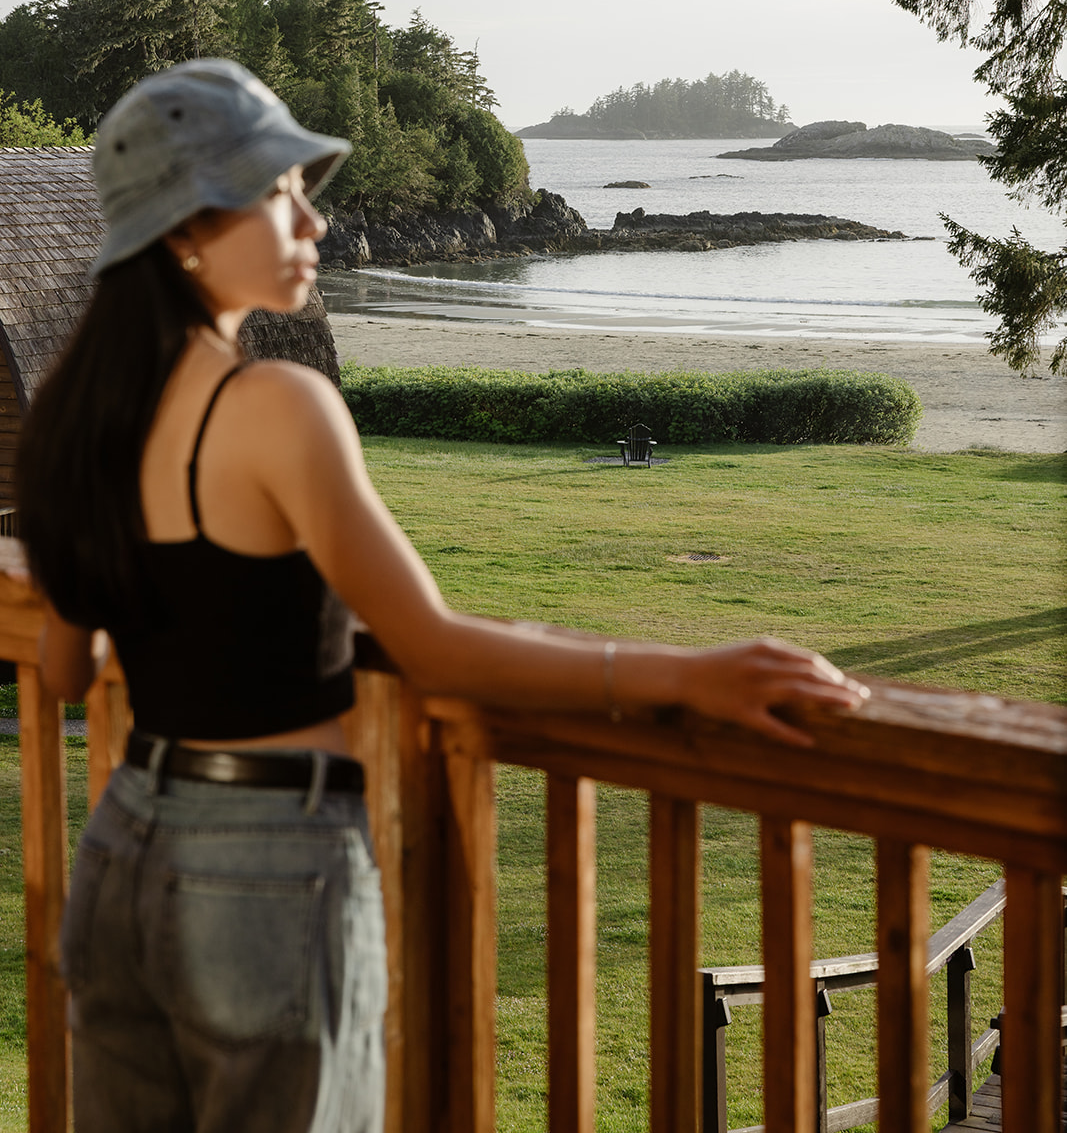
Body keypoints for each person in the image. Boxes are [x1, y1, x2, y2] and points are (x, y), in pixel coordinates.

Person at [16, 59, 866, 1133]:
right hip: (267, 865)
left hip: (124, 847)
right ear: (189, 228)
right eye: (280, 194)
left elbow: (63, 669)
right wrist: (685, 672)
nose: (312, 221)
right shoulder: (278, 402)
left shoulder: (77, 422)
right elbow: (433, 646)